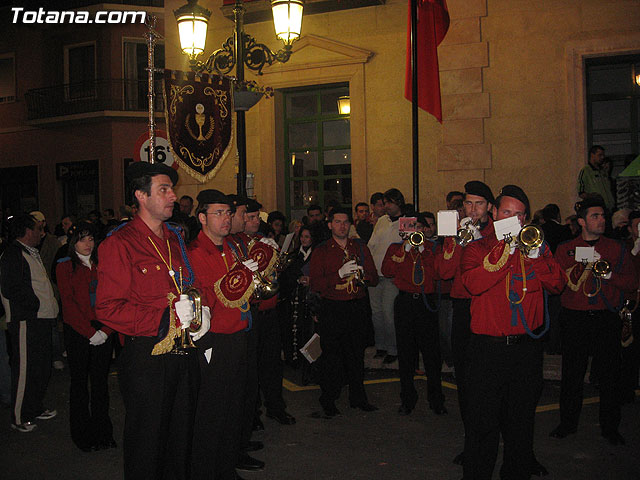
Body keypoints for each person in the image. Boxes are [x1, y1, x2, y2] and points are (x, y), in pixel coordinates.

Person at [95, 162, 204, 479]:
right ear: (141, 196)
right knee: (148, 442)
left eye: (171, 189)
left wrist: (200, 311)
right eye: (164, 190)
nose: (173, 197)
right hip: (148, 354)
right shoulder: (120, 243)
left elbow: (187, 286)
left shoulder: (174, 239)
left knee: (180, 437)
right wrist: (163, 319)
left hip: (184, 351)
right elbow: (108, 308)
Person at [460, 185, 566, 479]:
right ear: (493, 213)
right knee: (482, 427)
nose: (514, 219)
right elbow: (473, 283)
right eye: (507, 212)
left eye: (520, 215)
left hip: (524, 351)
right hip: (487, 350)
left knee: (521, 425)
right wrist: (506, 251)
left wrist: (536, 257)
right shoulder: (477, 247)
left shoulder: (537, 247)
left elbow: (557, 285)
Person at [550, 195, 637, 445]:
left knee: (610, 376)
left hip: (605, 318)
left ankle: (610, 427)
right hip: (574, 318)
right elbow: (556, 285)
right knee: (572, 374)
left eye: (602, 216)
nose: (601, 220)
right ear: (582, 221)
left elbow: (631, 283)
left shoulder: (616, 248)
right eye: (595, 216)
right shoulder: (565, 248)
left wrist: (609, 275)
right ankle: (567, 423)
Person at [188, 189, 259, 480]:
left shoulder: (231, 247)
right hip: (216, 338)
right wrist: (236, 280)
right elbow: (204, 299)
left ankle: (225, 469)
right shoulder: (195, 252)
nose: (226, 219)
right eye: (218, 213)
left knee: (234, 409)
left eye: (228, 213)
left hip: (239, 333)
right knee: (212, 413)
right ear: (202, 218)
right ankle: (207, 472)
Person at [434, 180, 494, 467]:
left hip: (489, 308)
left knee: (492, 381)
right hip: (463, 308)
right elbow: (443, 271)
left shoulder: (497, 232)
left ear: (489, 208)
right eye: (468, 204)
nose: (473, 209)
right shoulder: (455, 233)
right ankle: (472, 443)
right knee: (466, 382)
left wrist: (479, 240)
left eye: (479, 204)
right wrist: (459, 241)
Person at [309, 207, 379, 417]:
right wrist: (339, 274)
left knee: (356, 355)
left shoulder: (360, 247)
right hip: (333, 307)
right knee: (331, 357)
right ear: (330, 225)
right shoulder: (321, 250)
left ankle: (358, 398)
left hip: (356, 306)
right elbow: (316, 285)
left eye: (346, 222)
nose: (342, 226)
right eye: (338, 222)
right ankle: (328, 399)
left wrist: (363, 275)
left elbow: (374, 278)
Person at [56, 221, 115, 452]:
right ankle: (82, 435)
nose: (87, 244)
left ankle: (103, 432)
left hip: (103, 328)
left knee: (101, 384)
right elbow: (69, 306)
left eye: (91, 239)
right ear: (73, 242)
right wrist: (91, 333)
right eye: (82, 239)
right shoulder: (65, 267)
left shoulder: (103, 265)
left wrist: (106, 330)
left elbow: (113, 299)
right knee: (80, 384)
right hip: (79, 331)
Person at [382, 212, 446, 416]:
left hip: (426, 305)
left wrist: (423, 250)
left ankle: (436, 400)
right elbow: (387, 270)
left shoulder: (433, 248)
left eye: (419, 227)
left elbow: (439, 273)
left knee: (432, 357)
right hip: (405, 303)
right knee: (406, 355)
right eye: (412, 227)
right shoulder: (396, 248)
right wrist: (406, 248)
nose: (416, 231)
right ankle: (407, 398)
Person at [0, 214, 59, 432]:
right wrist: (34, 305)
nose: (41, 233)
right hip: (26, 320)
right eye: (37, 229)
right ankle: (19, 416)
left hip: (41, 318)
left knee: (40, 368)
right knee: (25, 369)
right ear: (27, 231)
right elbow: (10, 288)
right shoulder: (13, 254)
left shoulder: (28, 252)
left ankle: (34, 407)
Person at [367, 188, 405, 364]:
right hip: (376, 273)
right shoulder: (382, 220)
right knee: (376, 313)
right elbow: (372, 244)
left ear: (397, 203)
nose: (386, 206)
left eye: (389, 202)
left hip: (392, 275)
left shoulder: (406, 221)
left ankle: (393, 348)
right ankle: (380, 345)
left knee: (389, 313)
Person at [577, 145, 615, 213]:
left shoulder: (603, 172)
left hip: (609, 209)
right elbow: (581, 192)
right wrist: (592, 196)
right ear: (592, 155)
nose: (602, 157)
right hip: (597, 209)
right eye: (599, 155)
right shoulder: (586, 171)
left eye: (603, 155)